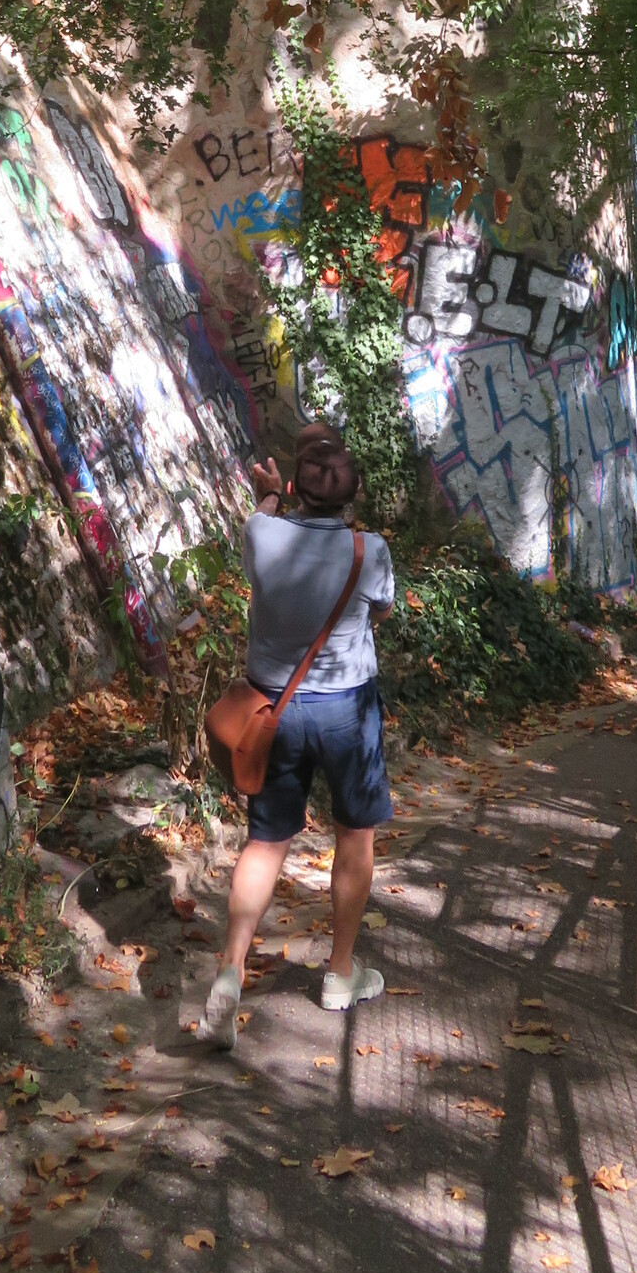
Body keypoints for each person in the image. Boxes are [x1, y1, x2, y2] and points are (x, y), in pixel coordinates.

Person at [201, 421, 395, 1048]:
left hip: (273, 711)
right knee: (354, 832)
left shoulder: (263, 533)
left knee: (266, 841)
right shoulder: (369, 550)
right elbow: (382, 611)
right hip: (348, 711)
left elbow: (263, 523)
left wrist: (266, 494)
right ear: (353, 496)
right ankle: (339, 973)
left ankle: (230, 972)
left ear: (292, 488)